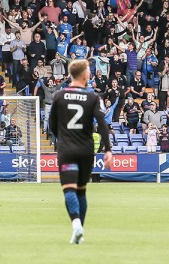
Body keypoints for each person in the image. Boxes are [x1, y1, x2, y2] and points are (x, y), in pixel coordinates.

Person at [47, 59, 112, 245]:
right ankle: (79, 233)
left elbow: (52, 125)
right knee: (81, 191)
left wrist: (63, 138)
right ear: (84, 75)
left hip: (67, 149)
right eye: (89, 71)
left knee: (69, 189)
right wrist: (108, 149)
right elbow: (102, 124)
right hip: (86, 150)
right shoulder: (93, 97)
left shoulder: (59, 96)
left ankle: (76, 225)